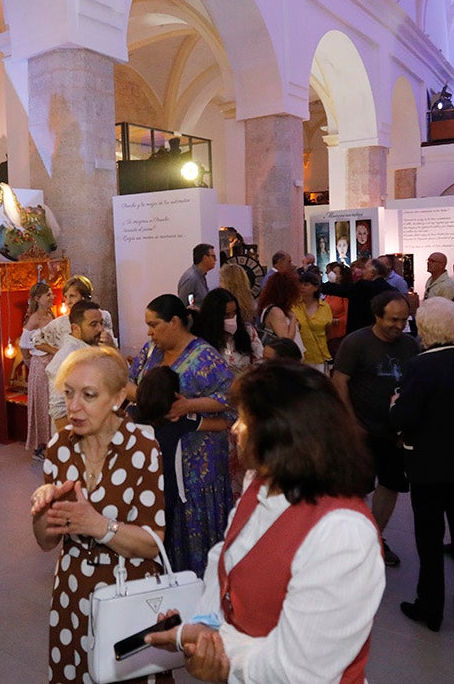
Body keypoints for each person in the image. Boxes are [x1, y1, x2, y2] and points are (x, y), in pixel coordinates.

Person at [143, 362, 384, 682]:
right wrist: (206, 622)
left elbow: (297, 671)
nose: (234, 428)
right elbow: (226, 552)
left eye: (245, 419)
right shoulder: (262, 481)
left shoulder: (343, 534)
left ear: (282, 431)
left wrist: (217, 652)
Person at [31, 347, 168, 684]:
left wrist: (98, 526)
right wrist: (43, 512)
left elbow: (152, 544)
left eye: (88, 395)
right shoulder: (59, 448)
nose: (74, 406)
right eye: (69, 393)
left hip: (128, 591)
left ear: (118, 398)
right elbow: (46, 542)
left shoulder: (143, 449)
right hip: (73, 591)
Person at [388, 297, 454, 632]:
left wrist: (394, 406)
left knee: (429, 540)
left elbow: (405, 415)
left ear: (424, 329)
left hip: (429, 467)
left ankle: (431, 608)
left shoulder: (420, 366)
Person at [128, 294, 234, 575]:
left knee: (193, 520)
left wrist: (188, 405)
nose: (149, 332)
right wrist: (149, 401)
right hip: (158, 459)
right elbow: (129, 379)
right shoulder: (152, 351)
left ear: (174, 322)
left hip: (198, 464)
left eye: (154, 325)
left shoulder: (205, 356)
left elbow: (230, 400)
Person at [332, 290, 421, 567]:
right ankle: (349, 542)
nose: (398, 326)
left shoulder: (410, 345)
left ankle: (374, 537)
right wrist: (352, 423)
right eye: (392, 320)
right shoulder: (356, 342)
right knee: (357, 487)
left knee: (390, 484)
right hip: (362, 430)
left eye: (403, 320)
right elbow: (340, 381)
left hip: (394, 434)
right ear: (377, 316)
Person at [45, 300, 106, 430]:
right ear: (75, 328)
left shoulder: (94, 349)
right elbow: (59, 410)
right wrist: (72, 446)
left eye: (101, 323)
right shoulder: (66, 358)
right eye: (93, 324)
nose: (100, 329)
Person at [32, 275, 116, 354]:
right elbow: (36, 340)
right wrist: (58, 353)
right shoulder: (60, 323)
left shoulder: (103, 316)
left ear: (84, 297)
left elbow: (111, 345)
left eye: (72, 296)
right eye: (66, 297)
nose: (68, 302)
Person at [192, 288, 260, 377]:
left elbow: (261, 359)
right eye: (227, 315)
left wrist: (252, 369)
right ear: (214, 317)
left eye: (235, 313)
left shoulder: (248, 331)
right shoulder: (201, 340)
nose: (232, 318)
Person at [21, 282, 56, 457]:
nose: (52, 297)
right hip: (40, 364)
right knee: (42, 404)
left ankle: (53, 441)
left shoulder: (51, 313)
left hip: (52, 362)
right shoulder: (34, 318)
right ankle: (41, 445)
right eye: (47, 295)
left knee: (52, 402)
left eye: (51, 294)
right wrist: (29, 362)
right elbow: (23, 344)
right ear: (37, 299)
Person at [321, 256, 394, 334]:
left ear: (373, 272)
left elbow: (341, 290)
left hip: (361, 333)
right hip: (382, 332)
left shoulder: (364, 286)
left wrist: (318, 285)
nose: (363, 272)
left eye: (365, 269)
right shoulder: (391, 290)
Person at [293, 270, 332, 370]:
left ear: (315, 287)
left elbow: (328, 331)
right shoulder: (294, 306)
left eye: (306, 285)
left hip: (319, 355)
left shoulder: (325, 307)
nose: (302, 287)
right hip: (300, 356)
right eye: (300, 284)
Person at [255, 270, 301, 352]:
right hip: (285, 359)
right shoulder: (276, 312)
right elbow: (286, 341)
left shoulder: (271, 308)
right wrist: (293, 319)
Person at [323, 261, 351, 351]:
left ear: (342, 276)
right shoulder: (330, 292)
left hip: (340, 332)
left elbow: (349, 315)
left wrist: (336, 320)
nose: (331, 274)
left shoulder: (345, 294)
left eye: (335, 273)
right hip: (328, 332)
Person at [178, 243, 215, 307]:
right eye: (213, 257)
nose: (215, 260)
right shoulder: (191, 279)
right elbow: (182, 306)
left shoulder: (200, 276)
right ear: (205, 258)